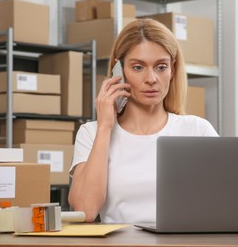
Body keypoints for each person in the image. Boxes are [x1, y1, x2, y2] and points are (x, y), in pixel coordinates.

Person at [68, 18, 218, 223]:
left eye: (161, 67)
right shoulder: (91, 133)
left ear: (172, 70)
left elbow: (223, 204)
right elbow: (85, 211)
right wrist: (105, 126)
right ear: (118, 71)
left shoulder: (197, 130)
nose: (151, 79)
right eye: (138, 67)